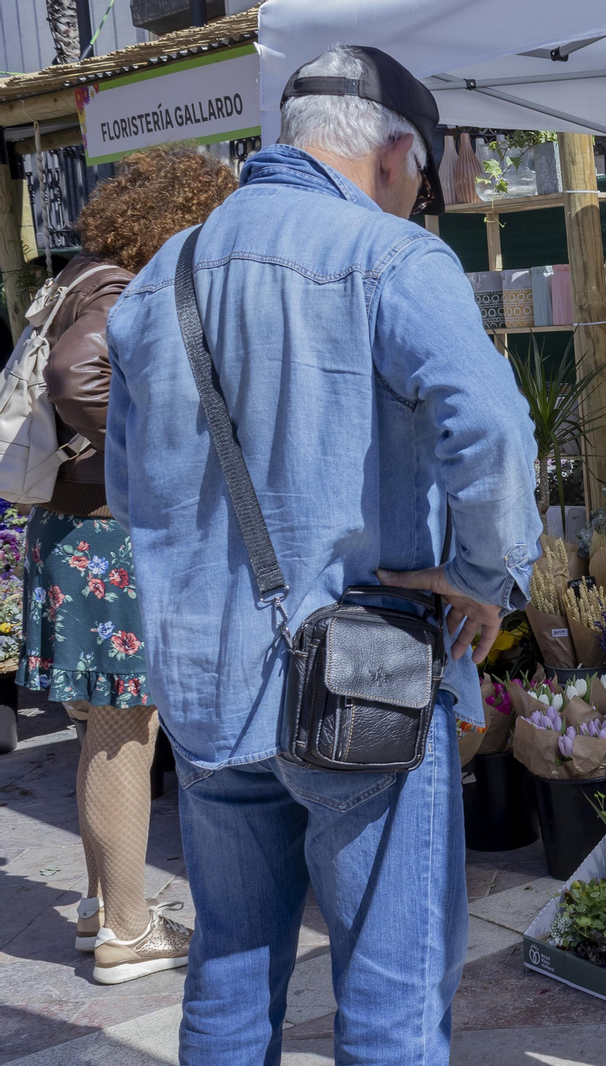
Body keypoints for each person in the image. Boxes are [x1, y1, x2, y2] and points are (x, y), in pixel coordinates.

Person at [104, 45, 540, 1063]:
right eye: (422, 179)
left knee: (227, 975)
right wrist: (482, 579)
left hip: (208, 687)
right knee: (390, 1005)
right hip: (362, 681)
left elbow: (131, 493)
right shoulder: (392, 258)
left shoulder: (158, 280)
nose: (416, 198)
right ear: (396, 154)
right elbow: (494, 431)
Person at [20, 146, 236, 984]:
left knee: (100, 729)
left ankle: (101, 908)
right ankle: (128, 930)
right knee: (126, 731)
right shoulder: (119, 285)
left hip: (72, 531)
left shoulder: (81, 272)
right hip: (107, 539)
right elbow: (77, 373)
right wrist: (149, 446)